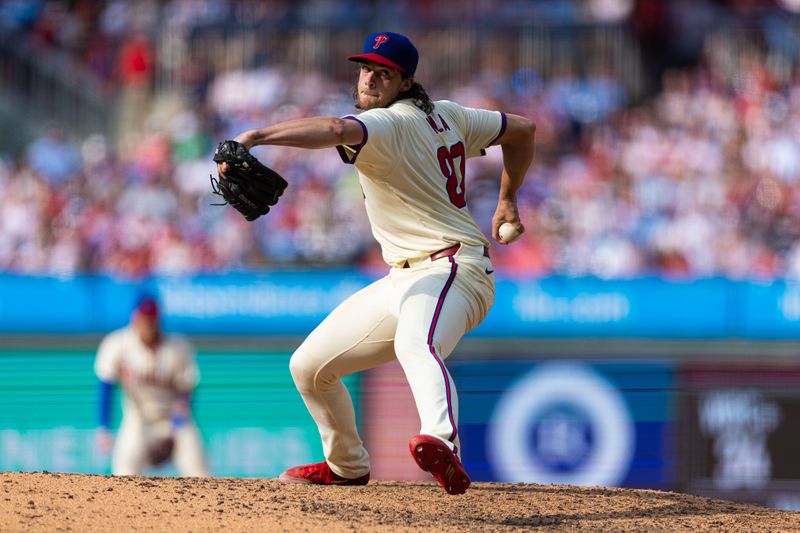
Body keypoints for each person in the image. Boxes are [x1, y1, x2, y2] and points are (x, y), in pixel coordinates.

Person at [218, 31, 534, 495]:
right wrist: (508, 199)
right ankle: (346, 464)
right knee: (309, 366)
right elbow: (522, 129)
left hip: (452, 268)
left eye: (384, 73)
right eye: (366, 68)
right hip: (406, 278)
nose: (370, 78)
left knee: (414, 344)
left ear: (405, 82)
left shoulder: (391, 123)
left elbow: (334, 130)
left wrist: (254, 136)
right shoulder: (450, 114)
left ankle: (442, 440)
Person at [94, 295, 209, 476]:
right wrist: (104, 427)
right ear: (135, 318)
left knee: (199, 472)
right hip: (137, 418)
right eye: (144, 318)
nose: (147, 323)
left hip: (174, 420)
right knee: (124, 470)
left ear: (158, 319)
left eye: (151, 319)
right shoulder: (117, 344)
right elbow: (106, 384)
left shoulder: (178, 347)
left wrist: (174, 429)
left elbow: (186, 391)